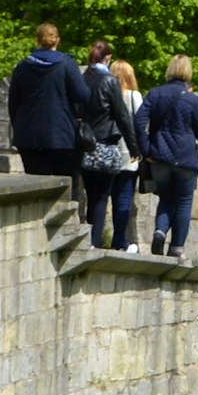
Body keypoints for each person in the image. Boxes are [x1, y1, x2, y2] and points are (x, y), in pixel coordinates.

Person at [135, 55, 198, 259]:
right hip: (186, 160)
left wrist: (147, 151)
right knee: (183, 201)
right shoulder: (191, 100)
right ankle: (177, 248)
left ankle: (159, 232)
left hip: (159, 158)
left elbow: (137, 123)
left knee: (165, 198)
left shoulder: (155, 94)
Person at [5, 22, 89, 204]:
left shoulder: (22, 66)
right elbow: (83, 94)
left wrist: (19, 127)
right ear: (57, 40)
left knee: (36, 188)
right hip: (62, 136)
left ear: (37, 41)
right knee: (68, 187)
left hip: (29, 138)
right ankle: (66, 227)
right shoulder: (66, 64)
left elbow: (13, 102)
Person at [71, 39, 140, 250]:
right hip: (105, 145)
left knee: (91, 192)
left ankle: (90, 239)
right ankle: (94, 241)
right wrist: (134, 147)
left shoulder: (81, 79)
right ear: (107, 58)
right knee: (101, 196)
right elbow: (122, 116)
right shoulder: (110, 82)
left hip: (84, 145)